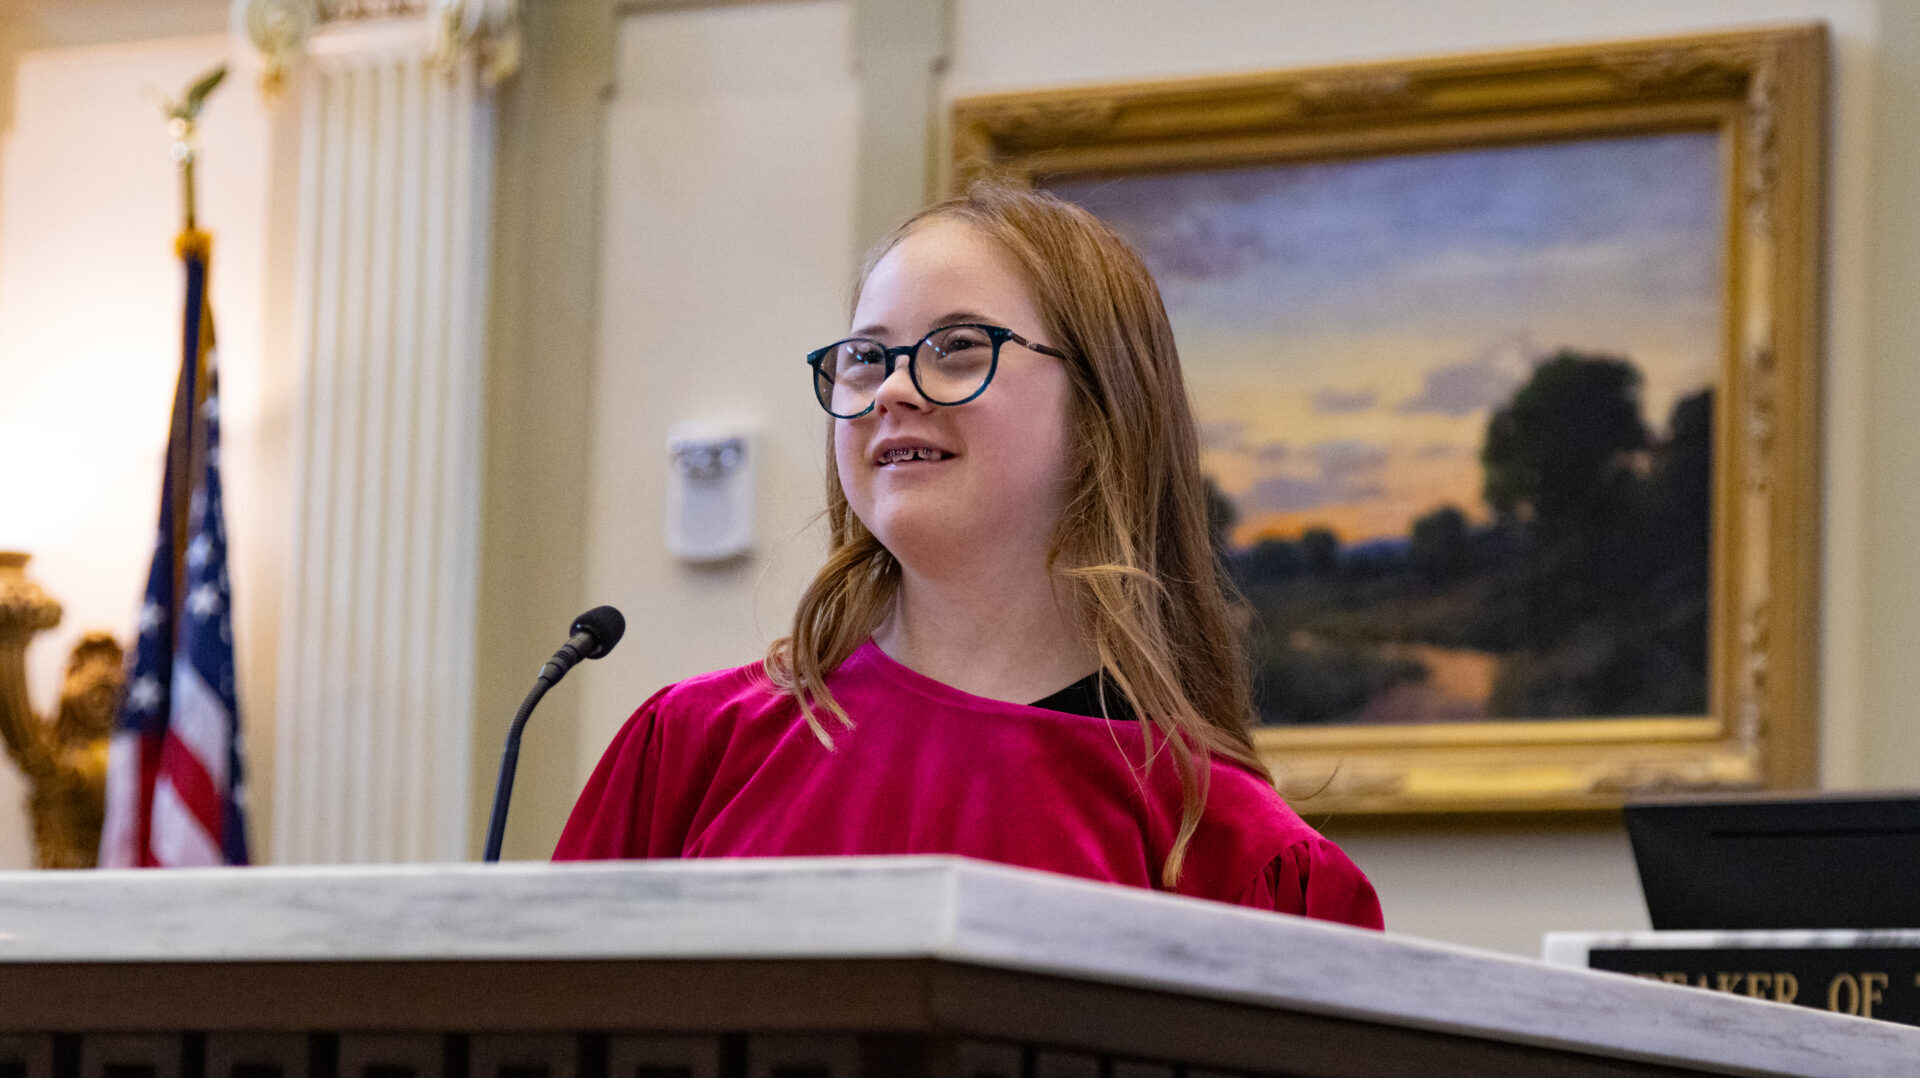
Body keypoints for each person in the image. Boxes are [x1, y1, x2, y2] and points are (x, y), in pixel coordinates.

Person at [554, 182, 1382, 929]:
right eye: (866, 359)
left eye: (957, 348)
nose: (893, 391)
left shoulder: (1235, 858)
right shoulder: (695, 751)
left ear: (1104, 415)